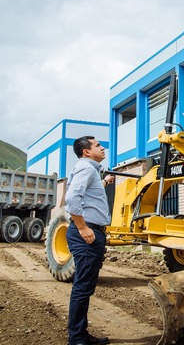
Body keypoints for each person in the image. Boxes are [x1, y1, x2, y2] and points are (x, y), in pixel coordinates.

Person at [65, 136, 115, 345]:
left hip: (91, 232)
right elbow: (71, 199)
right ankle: (77, 339)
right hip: (87, 233)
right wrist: (83, 227)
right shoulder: (86, 168)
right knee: (83, 287)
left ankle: (81, 335)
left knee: (85, 286)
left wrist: (104, 182)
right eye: (97, 145)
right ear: (86, 151)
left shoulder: (89, 170)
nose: (102, 148)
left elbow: (88, 196)